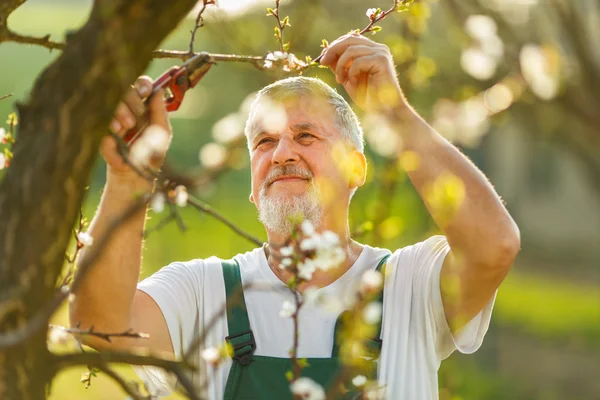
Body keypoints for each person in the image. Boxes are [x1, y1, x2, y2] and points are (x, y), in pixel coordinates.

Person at [70, 34, 520, 399]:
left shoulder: (408, 286)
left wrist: (393, 112)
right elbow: (100, 328)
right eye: (264, 143)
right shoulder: (204, 292)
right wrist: (130, 177)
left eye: (305, 136)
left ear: (356, 169)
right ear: (251, 184)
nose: (282, 153)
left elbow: (494, 246)